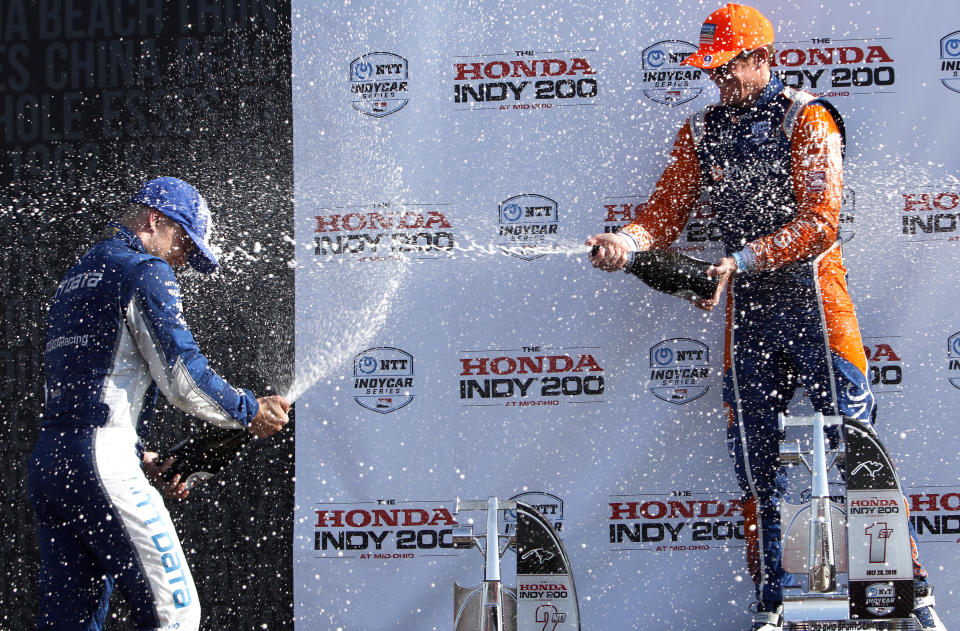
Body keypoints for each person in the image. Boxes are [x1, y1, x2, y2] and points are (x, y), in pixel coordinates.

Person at [586, 5, 945, 631]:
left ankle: (906, 596)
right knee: (757, 465)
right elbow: (663, 216)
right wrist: (627, 244)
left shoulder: (807, 117)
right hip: (748, 314)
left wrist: (742, 259)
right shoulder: (702, 131)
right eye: (710, 70)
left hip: (816, 304)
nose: (718, 81)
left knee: (857, 450)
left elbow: (820, 220)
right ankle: (773, 603)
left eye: (728, 68)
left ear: (761, 59)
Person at [28, 177, 291, 631]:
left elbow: (86, 391)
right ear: (155, 220)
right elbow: (183, 379)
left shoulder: (77, 276)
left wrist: (139, 455)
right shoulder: (143, 269)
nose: (185, 260)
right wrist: (251, 411)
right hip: (99, 460)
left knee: (69, 622)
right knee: (177, 613)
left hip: (53, 464)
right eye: (185, 243)